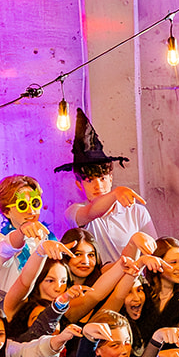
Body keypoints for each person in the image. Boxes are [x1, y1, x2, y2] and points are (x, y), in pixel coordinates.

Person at [58, 109, 156, 265]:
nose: (98, 186)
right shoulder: (74, 212)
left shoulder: (136, 212)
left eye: (103, 178)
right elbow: (90, 213)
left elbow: (155, 253)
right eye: (90, 180)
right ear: (79, 184)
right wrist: (116, 193)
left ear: (111, 178)